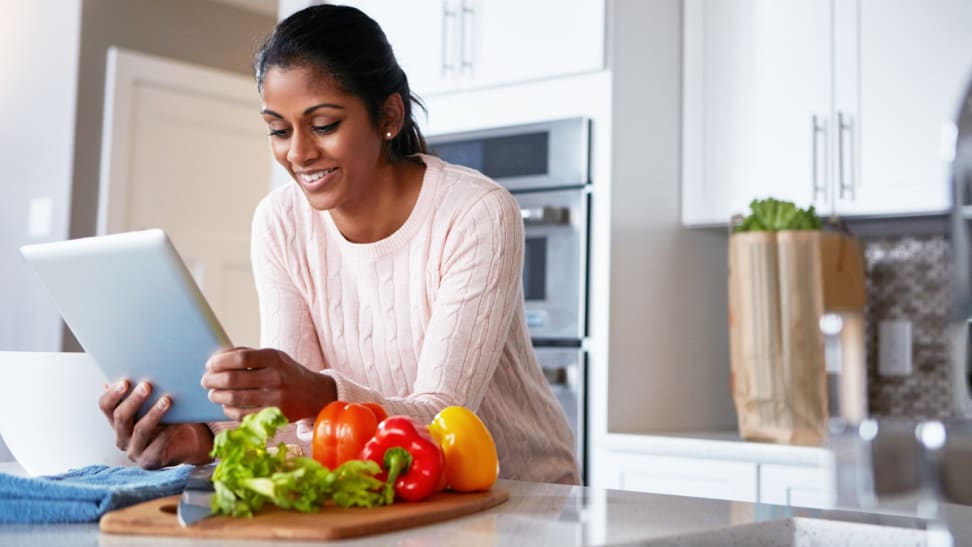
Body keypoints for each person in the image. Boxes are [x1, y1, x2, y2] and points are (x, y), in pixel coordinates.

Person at [98, 4, 579, 485]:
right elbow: (297, 427)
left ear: (388, 115)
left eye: (324, 124)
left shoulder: (475, 213)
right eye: (279, 130)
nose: (299, 153)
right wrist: (201, 439)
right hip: (376, 492)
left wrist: (317, 392)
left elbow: (441, 419)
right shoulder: (280, 223)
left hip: (519, 492)